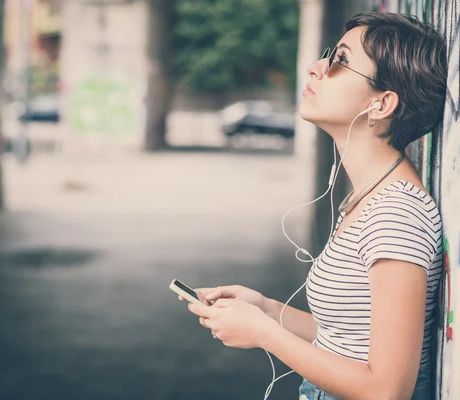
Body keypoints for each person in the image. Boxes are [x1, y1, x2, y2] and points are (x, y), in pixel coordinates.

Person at [181, 11, 446, 400]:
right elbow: (346, 339)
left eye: (340, 61)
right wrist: (268, 310)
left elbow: (387, 389)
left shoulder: (396, 216)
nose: (315, 68)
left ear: (381, 104)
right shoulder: (369, 197)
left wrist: (264, 334)